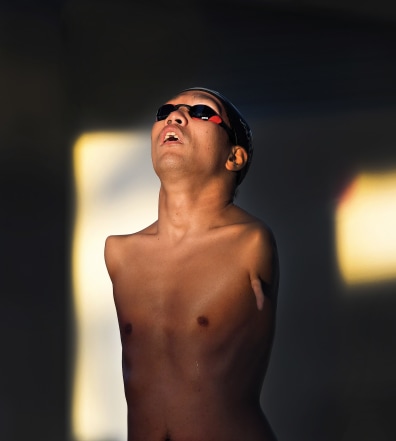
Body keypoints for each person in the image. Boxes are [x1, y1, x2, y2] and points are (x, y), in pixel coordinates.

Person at [104, 87, 279, 441]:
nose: (175, 116)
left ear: (235, 157)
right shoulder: (119, 254)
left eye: (201, 112)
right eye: (165, 110)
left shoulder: (250, 245)